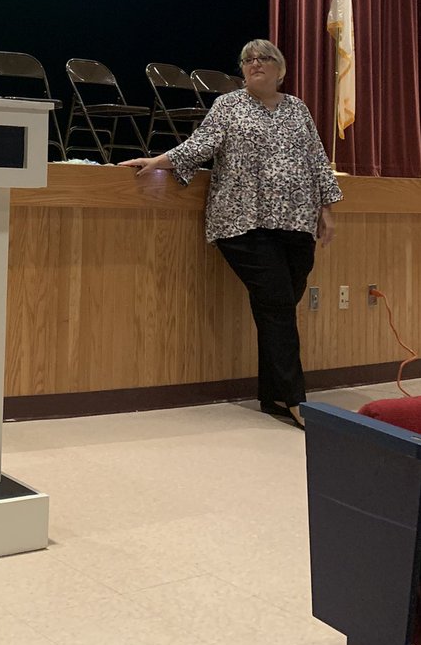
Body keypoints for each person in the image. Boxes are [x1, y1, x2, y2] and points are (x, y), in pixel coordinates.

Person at [123, 39, 342, 429]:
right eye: (248, 59)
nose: (255, 63)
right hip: (242, 223)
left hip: (296, 222)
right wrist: (158, 160)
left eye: (264, 58)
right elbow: (201, 145)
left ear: (280, 68)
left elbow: (317, 158)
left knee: (277, 307)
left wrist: (326, 209)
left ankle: (272, 395)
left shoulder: (298, 109)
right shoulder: (228, 105)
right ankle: (296, 400)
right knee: (276, 303)